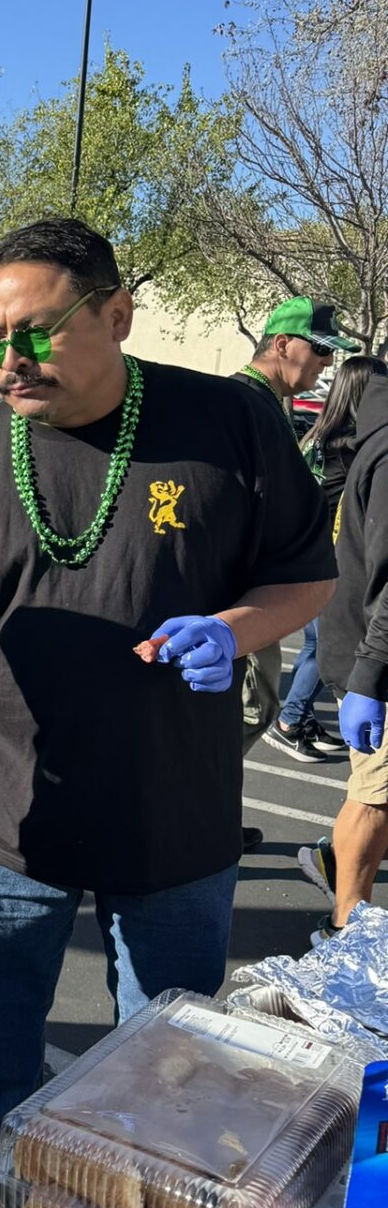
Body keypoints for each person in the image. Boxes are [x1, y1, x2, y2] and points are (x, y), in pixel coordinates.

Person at [0, 218, 335, 1208]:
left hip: (177, 817)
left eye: (36, 333)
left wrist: (237, 630)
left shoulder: (226, 427)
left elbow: (306, 575)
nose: (8, 359)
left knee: (166, 1045)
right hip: (12, 819)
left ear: (115, 314)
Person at [232, 298, 356, 850]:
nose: (326, 363)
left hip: (257, 591)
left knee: (250, 710)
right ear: (282, 344)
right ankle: (190, 815)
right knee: (247, 710)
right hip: (238, 594)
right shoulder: (244, 403)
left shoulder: (272, 406)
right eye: (320, 350)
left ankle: (204, 813)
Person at [302, 360, 388, 941]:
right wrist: (369, 677)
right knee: (375, 795)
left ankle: (333, 863)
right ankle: (344, 933)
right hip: (372, 653)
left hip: (359, 644)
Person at [268, 355, 384, 762]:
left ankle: (296, 718)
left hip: (307, 554)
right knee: (323, 646)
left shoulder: (317, 437)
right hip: (333, 561)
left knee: (315, 645)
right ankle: (291, 720)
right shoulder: (353, 447)